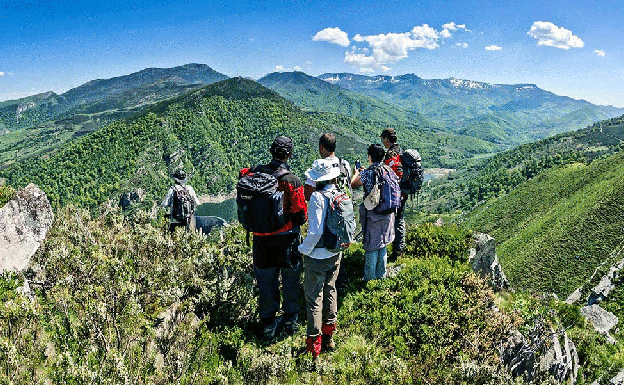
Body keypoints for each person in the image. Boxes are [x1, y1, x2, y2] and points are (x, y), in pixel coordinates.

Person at [241, 136, 307, 339]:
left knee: (266, 282)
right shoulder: (291, 180)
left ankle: (268, 325)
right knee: (290, 280)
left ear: (271, 152)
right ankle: (290, 321)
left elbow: (243, 177)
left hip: (261, 240)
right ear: (289, 155)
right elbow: (300, 215)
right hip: (286, 239)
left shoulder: (254, 174)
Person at [298, 158, 343, 364]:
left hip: (317, 256)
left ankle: (314, 349)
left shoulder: (317, 197)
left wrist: (303, 249)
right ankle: (329, 338)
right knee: (331, 290)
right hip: (335, 252)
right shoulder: (338, 192)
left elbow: (315, 231)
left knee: (314, 299)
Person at [351, 144, 395, 281]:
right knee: (382, 243)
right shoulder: (388, 170)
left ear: (370, 157)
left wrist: (357, 173)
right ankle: (381, 276)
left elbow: (353, 184)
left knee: (371, 245)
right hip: (388, 212)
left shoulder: (367, 173)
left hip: (373, 214)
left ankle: (369, 279)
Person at [380, 127, 406, 260]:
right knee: (398, 220)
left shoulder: (391, 154)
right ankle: (398, 248)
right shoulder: (399, 149)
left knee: (397, 220)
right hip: (402, 192)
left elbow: (389, 175)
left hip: (396, 193)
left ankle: (397, 250)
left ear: (386, 139)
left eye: (382, 139)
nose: (382, 142)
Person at [304, 133, 352, 201]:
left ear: (321, 147)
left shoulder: (319, 168)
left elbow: (307, 195)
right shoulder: (345, 164)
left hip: (324, 209)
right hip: (344, 208)